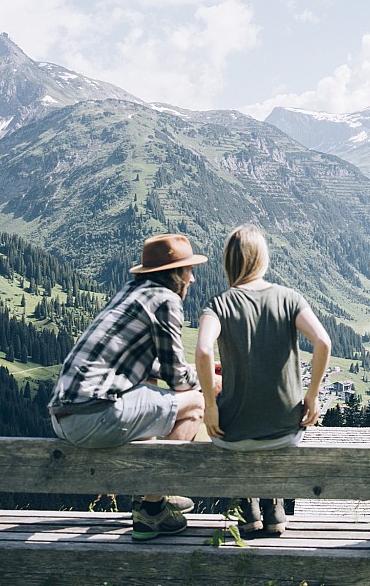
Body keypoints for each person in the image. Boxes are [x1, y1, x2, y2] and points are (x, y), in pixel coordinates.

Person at [47, 233, 213, 541]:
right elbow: (177, 379)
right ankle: (152, 508)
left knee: (150, 385)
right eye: (189, 270)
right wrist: (207, 383)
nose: (193, 279)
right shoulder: (166, 300)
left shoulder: (131, 293)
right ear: (176, 273)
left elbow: (149, 368)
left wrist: (195, 373)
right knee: (197, 405)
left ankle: (150, 493)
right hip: (97, 415)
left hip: (65, 417)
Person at [195, 225, 332, 536]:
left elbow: (203, 349)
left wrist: (209, 406)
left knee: (234, 433)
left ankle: (248, 507)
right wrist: (312, 395)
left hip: (234, 433)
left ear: (228, 262)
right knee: (269, 435)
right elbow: (323, 342)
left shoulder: (218, 304)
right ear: (262, 259)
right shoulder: (289, 298)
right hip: (286, 429)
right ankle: (274, 505)